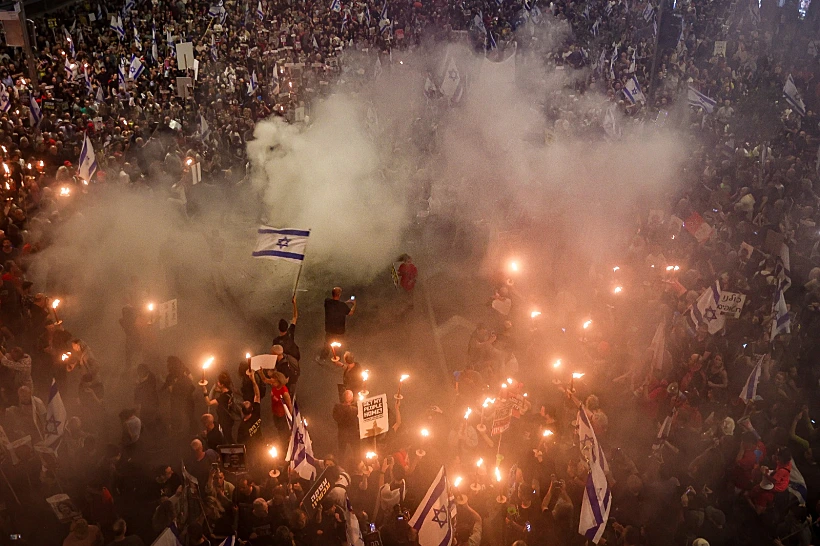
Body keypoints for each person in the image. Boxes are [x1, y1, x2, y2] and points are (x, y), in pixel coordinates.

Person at [318, 287, 355, 361]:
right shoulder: (343, 306)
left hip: (329, 330)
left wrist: (345, 302)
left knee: (327, 345)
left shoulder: (327, 302)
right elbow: (350, 312)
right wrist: (354, 304)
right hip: (339, 331)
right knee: (338, 346)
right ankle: (337, 360)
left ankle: (322, 359)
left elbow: (336, 305)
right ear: (340, 294)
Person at [202, 371, 240, 443]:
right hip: (230, 420)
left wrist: (204, 391)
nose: (217, 383)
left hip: (225, 421)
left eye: (219, 382)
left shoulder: (223, 398)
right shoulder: (229, 391)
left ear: (222, 384)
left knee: (227, 438)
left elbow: (209, 403)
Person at [237, 366, 263, 461]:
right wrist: (253, 381)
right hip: (261, 445)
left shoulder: (242, 427)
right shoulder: (256, 413)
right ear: (251, 409)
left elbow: (240, 443)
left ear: (242, 411)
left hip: (251, 452)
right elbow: (257, 395)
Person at [261, 371, 292, 441]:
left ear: (279, 382)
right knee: (278, 427)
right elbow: (265, 380)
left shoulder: (284, 392)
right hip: (275, 412)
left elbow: (289, 405)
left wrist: (290, 419)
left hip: (281, 415)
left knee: (282, 430)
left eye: (273, 382)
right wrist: (261, 372)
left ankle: (285, 441)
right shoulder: (274, 385)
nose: (271, 383)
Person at [332, 390, 359, 459]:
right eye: (347, 395)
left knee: (356, 453)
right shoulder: (338, 407)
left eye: (350, 395)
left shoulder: (355, 408)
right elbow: (337, 417)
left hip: (353, 434)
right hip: (343, 434)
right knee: (342, 454)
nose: (348, 397)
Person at [272, 295, 300, 361]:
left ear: (279, 329)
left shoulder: (276, 341)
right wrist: (294, 303)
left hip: (285, 361)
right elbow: (295, 317)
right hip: (294, 360)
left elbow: (274, 355)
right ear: (287, 328)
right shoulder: (290, 333)